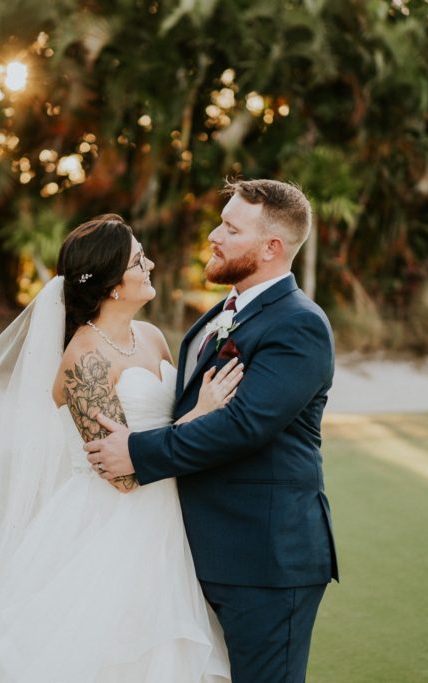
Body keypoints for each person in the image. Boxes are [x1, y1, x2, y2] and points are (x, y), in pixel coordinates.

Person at [0, 215, 243, 682]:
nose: (151, 263)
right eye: (140, 260)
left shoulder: (152, 337)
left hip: (167, 516)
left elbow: (166, 427)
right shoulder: (84, 359)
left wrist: (199, 413)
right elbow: (120, 475)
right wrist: (203, 413)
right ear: (114, 285)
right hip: (112, 527)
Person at [85, 179, 339, 683]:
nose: (213, 235)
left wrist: (137, 453)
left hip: (264, 560)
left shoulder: (299, 325)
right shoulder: (214, 318)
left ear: (271, 248)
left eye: (230, 227)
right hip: (196, 553)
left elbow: (244, 426)